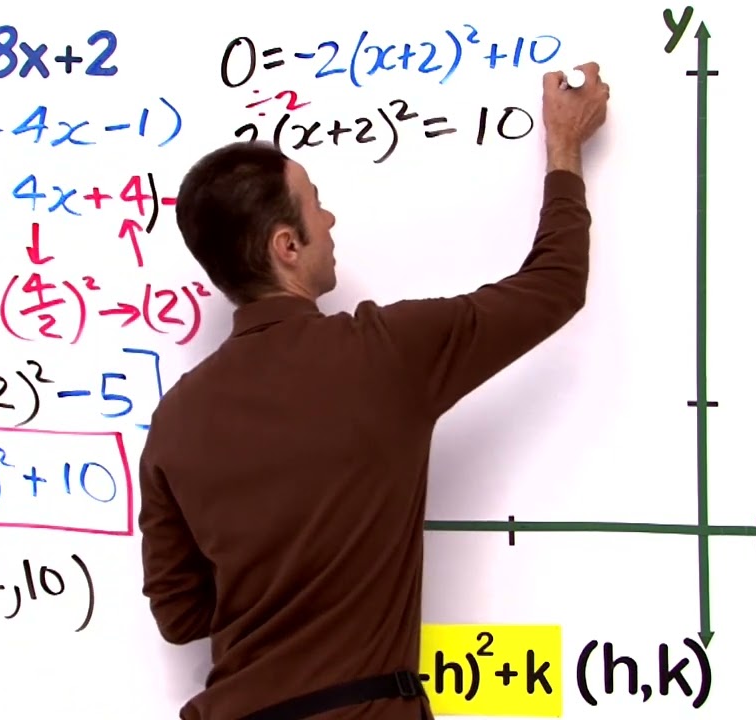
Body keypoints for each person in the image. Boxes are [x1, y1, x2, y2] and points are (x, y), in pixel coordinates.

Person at [138, 63, 611, 719]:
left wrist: (274, 569)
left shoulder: (174, 420)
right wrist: (564, 147)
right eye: (316, 204)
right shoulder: (383, 355)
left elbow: (181, 616)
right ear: (286, 245)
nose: (330, 218)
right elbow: (554, 285)